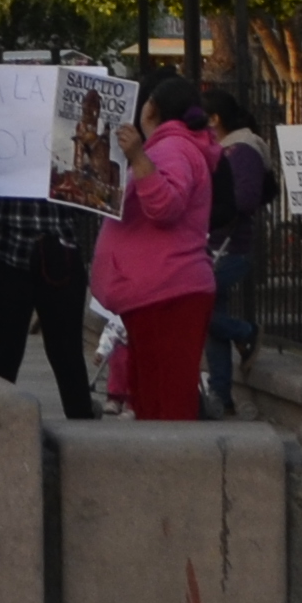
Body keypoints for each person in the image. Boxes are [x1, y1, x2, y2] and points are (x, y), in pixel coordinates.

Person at [0, 74, 105, 417]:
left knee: (66, 355)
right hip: (5, 252)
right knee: (2, 356)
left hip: (56, 254)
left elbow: (93, 190)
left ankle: (82, 435)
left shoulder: (70, 139)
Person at [91, 72, 220, 420]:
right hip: (157, 294)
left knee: (167, 400)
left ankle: (176, 470)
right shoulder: (172, 147)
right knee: (150, 396)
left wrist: (137, 157)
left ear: (152, 111)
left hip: (169, 293)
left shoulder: (173, 148)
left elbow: (166, 206)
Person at [199, 86, 277, 418]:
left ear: (214, 118)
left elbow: (245, 198)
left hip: (232, 248)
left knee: (200, 308)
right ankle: (221, 394)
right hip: (215, 245)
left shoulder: (242, 149)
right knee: (210, 316)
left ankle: (247, 332)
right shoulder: (223, 148)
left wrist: (211, 203)